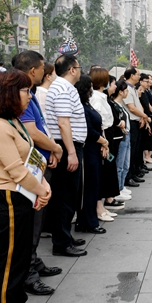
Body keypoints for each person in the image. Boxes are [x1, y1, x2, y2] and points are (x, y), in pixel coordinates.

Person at [0, 69, 51, 303]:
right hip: (9, 197)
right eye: (25, 91)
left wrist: (43, 185)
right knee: (9, 262)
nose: (29, 96)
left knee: (22, 256)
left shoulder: (14, 122)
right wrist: (41, 189)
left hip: (24, 195)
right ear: (10, 93)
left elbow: (32, 162)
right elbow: (15, 171)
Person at [12, 51, 63, 297]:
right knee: (31, 222)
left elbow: (39, 126)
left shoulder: (28, 93)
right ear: (33, 71)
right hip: (28, 170)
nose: (46, 73)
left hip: (40, 162)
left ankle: (33, 262)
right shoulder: (18, 94)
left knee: (37, 219)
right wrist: (55, 147)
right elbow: (31, 131)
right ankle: (28, 273)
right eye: (43, 69)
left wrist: (50, 148)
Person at [45, 54, 88, 257]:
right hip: (67, 146)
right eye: (78, 67)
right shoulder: (62, 89)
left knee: (69, 195)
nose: (80, 71)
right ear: (72, 69)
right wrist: (71, 153)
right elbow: (63, 123)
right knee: (65, 196)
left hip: (68, 145)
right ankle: (61, 243)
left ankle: (65, 237)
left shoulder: (63, 87)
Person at [75, 75, 110, 234]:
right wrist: (103, 141)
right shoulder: (81, 107)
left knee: (94, 186)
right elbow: (88, 130)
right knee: (89, 188)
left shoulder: (87, 104)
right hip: (88, 151)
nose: (92, 90)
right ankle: (88, 222)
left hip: (95, 149)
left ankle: (88, 220)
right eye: (89, 86)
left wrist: (103, 143)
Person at [89, 67, 122, 218]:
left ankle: (102, 205)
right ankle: (98, 207)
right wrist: (103, 142)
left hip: (106, 134)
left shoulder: (101, 96)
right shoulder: (96, 98)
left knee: (107, 169)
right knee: (101, 172)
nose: (113, 85)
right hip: (101, 135)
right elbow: (98, 121)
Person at [123, 67, 148, 187]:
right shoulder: (127, 88)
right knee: (131, 151)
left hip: (137, 121)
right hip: (131, 123)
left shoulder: (132, 88)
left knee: (136, 150)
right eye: (137, 74)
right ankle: (128, 176)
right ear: (132, 75)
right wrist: (144, 116)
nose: (139, 77)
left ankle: (133, 174)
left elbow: (138, 105)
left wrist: (142, 117)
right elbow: (131, 108)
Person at [109, 79, 133, 196]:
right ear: (120, 92)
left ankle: (121, 186)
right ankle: (117, 189)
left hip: (126, 135)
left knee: (125, 164)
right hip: (120, 137)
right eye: (126, 90)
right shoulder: (114, 105)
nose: (127, 92)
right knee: (119, 164)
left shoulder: (120, 105)